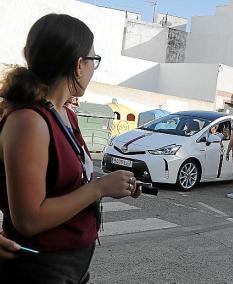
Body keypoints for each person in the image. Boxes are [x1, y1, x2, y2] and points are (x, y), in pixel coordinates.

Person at [0, 14, 140, 283]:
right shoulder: (29, 122)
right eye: (93, 61)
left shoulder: (65, 114)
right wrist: (98, 189)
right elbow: (28, 219)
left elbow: (66, 185)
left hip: (72, 266)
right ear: (79, 65)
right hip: (37, 269)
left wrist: (112, 185)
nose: (92, 69)